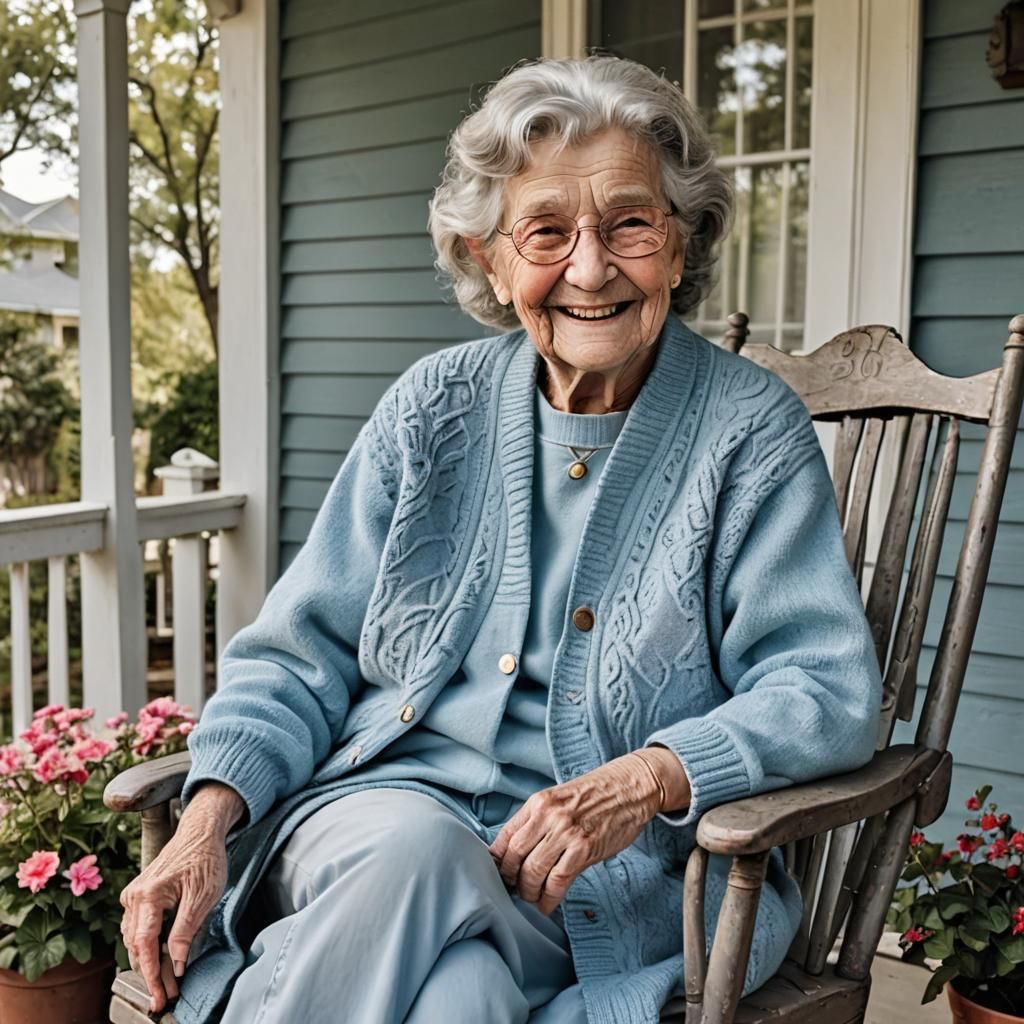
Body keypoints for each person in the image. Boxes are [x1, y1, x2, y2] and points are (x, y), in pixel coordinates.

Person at [119, 55, 882, 1024]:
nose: (592, 267)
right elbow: (295, 654)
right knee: (420, 852)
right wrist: (205, 819)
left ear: (682, 246)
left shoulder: (747, 430)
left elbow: (822, 688)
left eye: (630, 224)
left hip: (597, 887)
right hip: (366, 828)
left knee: (461, 996)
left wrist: (640, 778)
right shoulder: (430, 408)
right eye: (547, 232)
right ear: (489, 257)